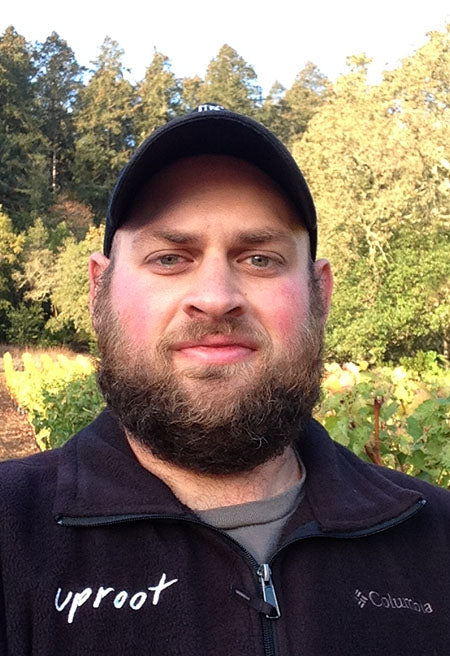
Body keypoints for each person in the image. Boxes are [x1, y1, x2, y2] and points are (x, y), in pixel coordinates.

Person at [1, 104, 449, 656]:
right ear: (99, 292)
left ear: (321, 294)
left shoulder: (438, 540)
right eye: (169, 258)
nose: (215, 298)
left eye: (260, 258)